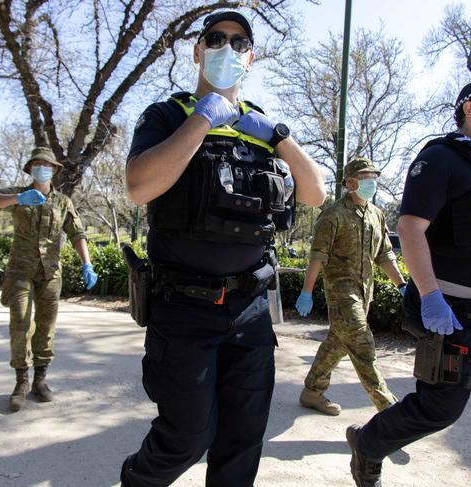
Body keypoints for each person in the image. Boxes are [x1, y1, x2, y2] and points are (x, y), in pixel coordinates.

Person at [120, 10, 325, 487]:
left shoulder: (264, 128)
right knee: (187, 436)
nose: (227, 49)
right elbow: (138, 186)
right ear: (197, 51)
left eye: (238, 42)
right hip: (184, 306)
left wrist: (280, 139)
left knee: (242, 440)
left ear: (250, 57)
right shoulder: (167, 115)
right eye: (216, 39)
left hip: (250, 309)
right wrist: (200, 121)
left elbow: (315, 193)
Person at [346, 74, 471, 487]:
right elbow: (411, 227)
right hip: (455, 315)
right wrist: (430, 295)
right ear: (470, 109)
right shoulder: (441, 158)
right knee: (439, 409)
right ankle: (368, 443)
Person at [0, 147, 98, 412]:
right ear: (30, 169)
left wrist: (87, 263)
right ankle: (20, 382)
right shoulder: (18, 194)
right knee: (20, 324)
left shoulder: (63, 202)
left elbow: (77, 233)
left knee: (46, 326)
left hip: (50, 273)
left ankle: (40, 380)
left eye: (46, 164)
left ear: (54, 170)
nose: (41, 167)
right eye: (36, 164)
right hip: (20, 272)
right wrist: (18, 198)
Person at [295, 157, 405, 415]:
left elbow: (384, 255)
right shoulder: (333, 215)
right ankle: (389, 409)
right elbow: (317, 256)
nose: (371, 183)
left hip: (365, 292)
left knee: (339, 342)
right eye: (365, 178)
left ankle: (312, 390)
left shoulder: (376, 215)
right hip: (342, 294)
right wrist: (306, 291)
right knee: (363, 344)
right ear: (350, 182)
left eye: (373, 178)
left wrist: (402, 285)